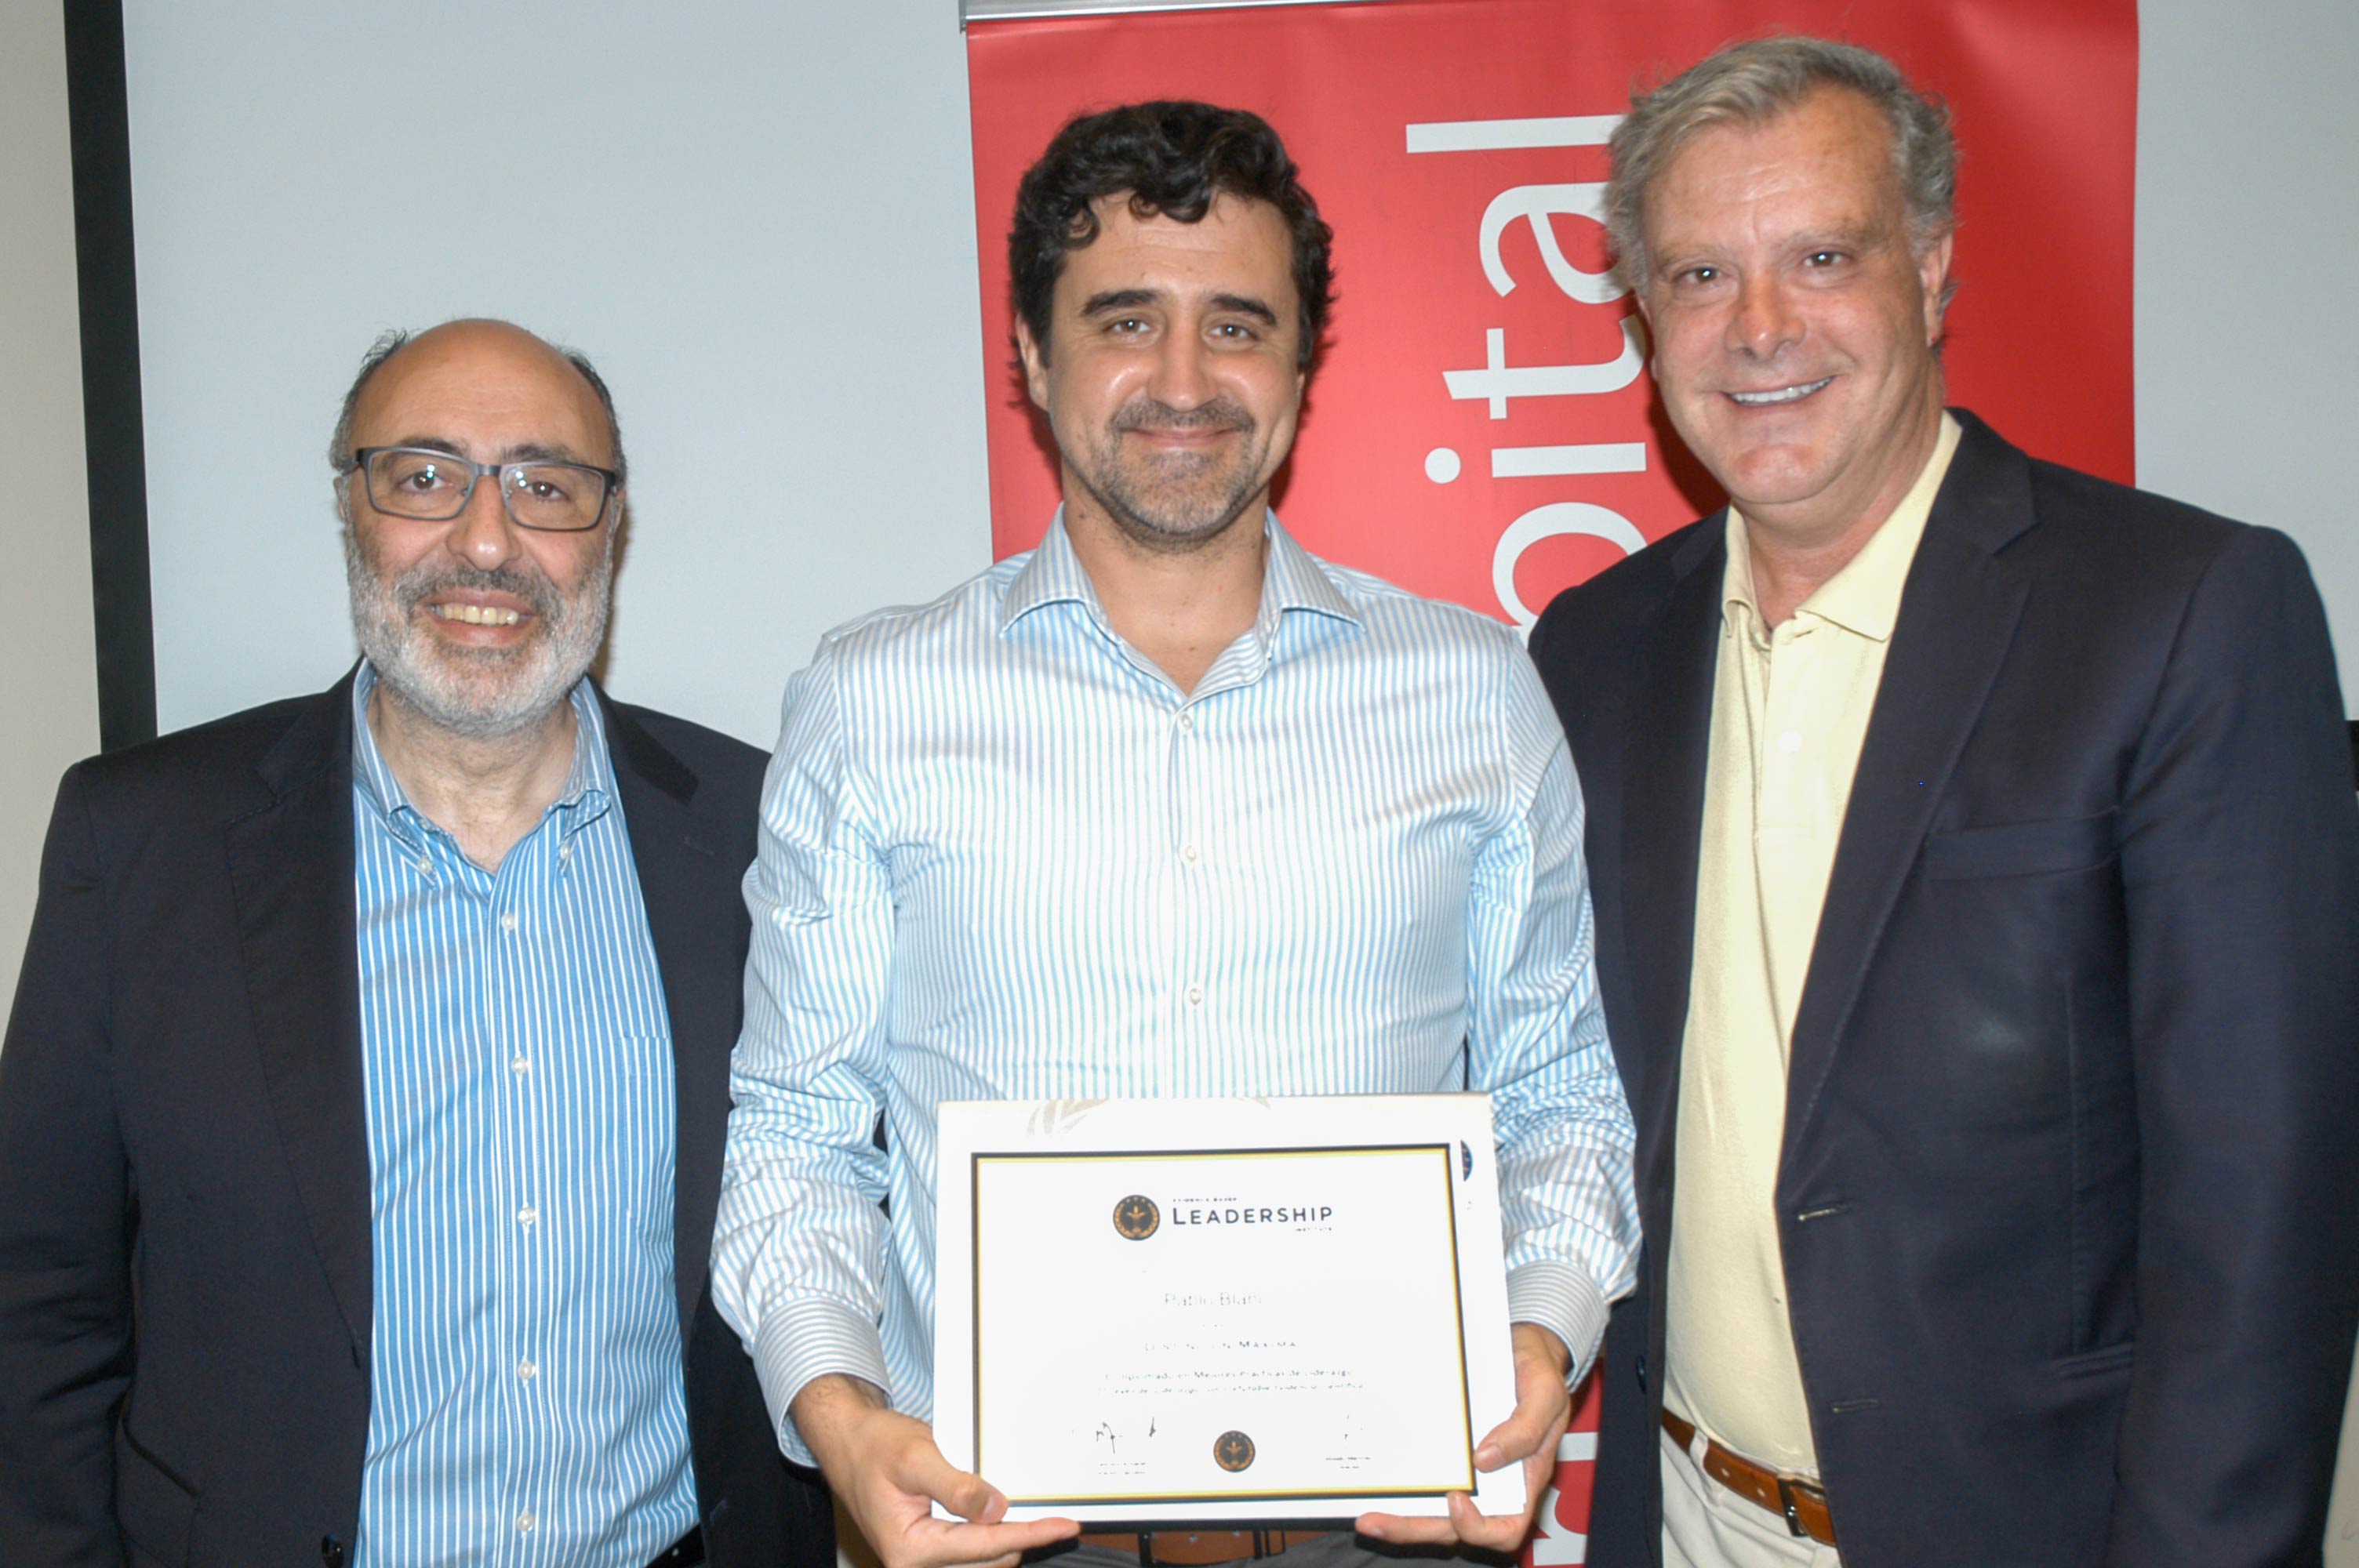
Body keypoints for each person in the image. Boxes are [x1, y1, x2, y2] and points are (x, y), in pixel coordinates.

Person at [712, 100, 1641, 1568]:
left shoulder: (1472, 693)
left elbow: (1563, 1094)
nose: (1186, 380)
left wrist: (1536, 1338)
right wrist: (838, 1415)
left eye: (1238, 325)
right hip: (996, 1534)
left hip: (1384, 1531)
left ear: (1301, 366)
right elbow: (797, 1131)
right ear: (1033, 359)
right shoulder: (871, 703)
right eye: (1126, 320)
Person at [1525, 35, 2359, 1568]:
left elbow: (2262, 1217)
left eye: (1821, 256)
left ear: (1927, 268)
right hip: (1686, 1519)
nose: (1759, 327)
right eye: (1701, 275)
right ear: (1642, 317)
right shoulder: (1594, 649)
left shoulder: (2180, 613)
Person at [0, 320, 834, 1568]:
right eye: (425, 477)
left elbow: (837, 1208)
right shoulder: (143, 843)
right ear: (352, 507)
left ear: (611, 528)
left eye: (547, 485)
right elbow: (37, 1304)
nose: (487, 542)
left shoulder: (761, 832)